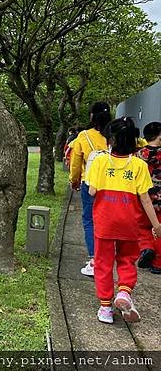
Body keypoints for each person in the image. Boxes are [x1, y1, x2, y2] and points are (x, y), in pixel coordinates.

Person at [86, 117, 161, 324]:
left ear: (111, 140)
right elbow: (145, 199)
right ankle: (124, 292)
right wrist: (156, 225)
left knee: (103, 264)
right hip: (129, 223)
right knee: (127, 260)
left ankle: (105, 308)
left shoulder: (100, 161)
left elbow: (92, 191)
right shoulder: (138, 165)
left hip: (104, 223)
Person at [69, 102, 112, 277]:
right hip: (114, 185)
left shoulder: (83, 136)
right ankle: (109, 258)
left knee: (89, 220)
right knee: (109, 220)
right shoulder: (115, 134)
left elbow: (76, 163)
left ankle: (95, 260)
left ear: (92, 117)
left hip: (90, 184)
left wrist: (74, 181)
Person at [135, 121, 161, 274]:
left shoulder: (139, 154)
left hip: (144, 199)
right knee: (158, 228)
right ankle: (158, 264)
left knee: (141, 227)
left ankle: (146, 247)